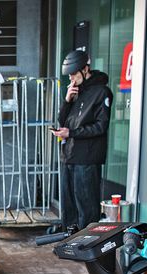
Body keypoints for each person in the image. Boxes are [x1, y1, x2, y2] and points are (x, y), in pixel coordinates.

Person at [50, 50, 113, 230]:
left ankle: (87, 243)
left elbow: (101, 126)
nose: (71, 78)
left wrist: (72, 133)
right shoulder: (76, 91)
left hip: (88, 158)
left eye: (74, 73)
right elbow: (63, 121)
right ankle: (70, 238)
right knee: (68, 204)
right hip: (69, 155)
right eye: (69, 75)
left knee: (86, 205)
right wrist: (67, 100)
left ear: (85, 69)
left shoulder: (102, 92)